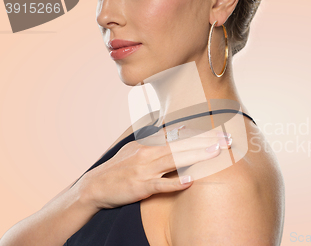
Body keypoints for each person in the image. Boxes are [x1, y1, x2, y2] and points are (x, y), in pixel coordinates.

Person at [0, 0, 284, 245]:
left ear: (220, 3)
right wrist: (88, 193)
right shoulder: (148, 134)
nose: (105, 15)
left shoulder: (223, 181)